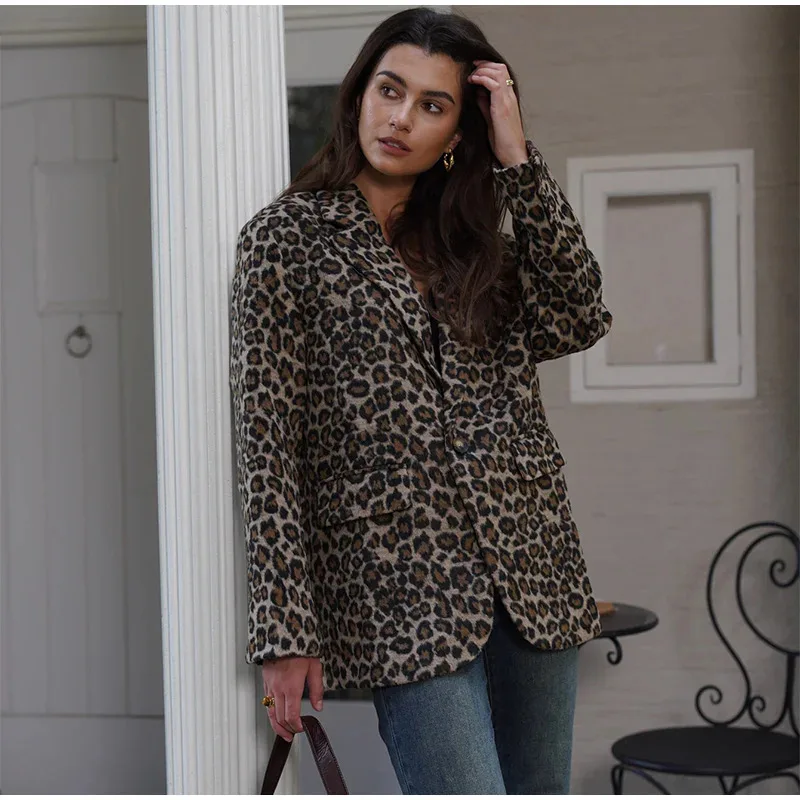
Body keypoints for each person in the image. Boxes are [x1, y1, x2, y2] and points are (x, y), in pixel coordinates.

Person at [229, 7, 612, 795]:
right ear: (359, 95)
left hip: (532, 571)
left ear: (457, 134)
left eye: (432, 105)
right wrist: (284, 630)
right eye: (389, 90)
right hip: (399, 589)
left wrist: (517, 157)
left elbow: (579, 314)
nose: (401, 118)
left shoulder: (477, 246)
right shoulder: (285, 239)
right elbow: (268, 445)